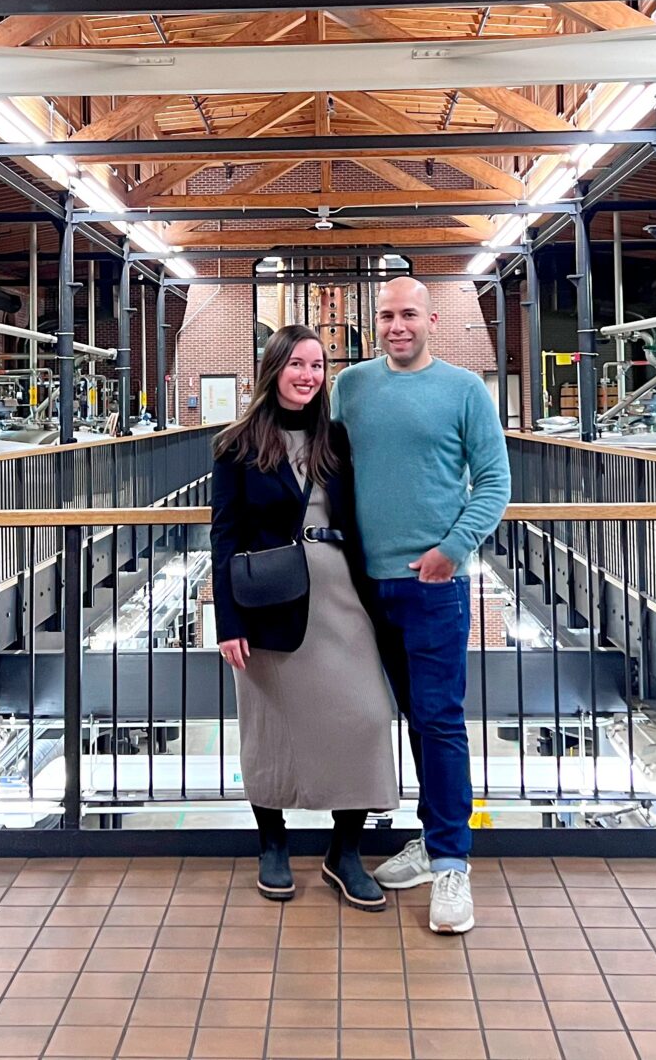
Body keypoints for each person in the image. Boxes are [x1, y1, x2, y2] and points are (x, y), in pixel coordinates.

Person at [332, 276, 510, 936]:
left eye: (409, 313)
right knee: (385, 716)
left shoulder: (463, 390)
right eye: (386, 315)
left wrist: (453, 548)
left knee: (437, 719)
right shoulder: (351, 387)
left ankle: (452, 860)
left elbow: (494, 481)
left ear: (431, 319)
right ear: (374, 321)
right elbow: (325, 464)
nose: (397, 324)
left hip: (435, 587)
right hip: (359, 589)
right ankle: (428, 840)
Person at [211, 324, 397, 911]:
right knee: (267, 727)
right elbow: (224, 535)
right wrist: (228, 621)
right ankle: (273, 843)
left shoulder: (336, 437)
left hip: (342, 594)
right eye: (296, 364)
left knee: (366, 717)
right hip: (269, 601)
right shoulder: (236, 443)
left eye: (317, 366)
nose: (308, 375)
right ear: (275, 368)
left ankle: (345, 851)